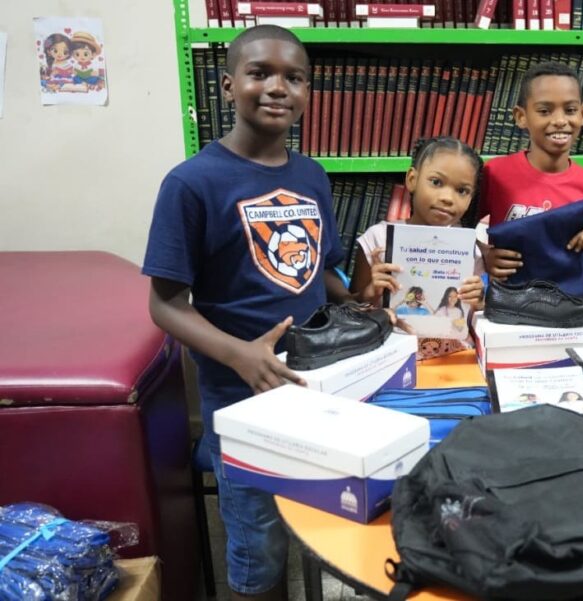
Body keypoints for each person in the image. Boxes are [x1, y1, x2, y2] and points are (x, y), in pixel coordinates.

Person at [142, 25, 349, 601]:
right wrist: (241, 356)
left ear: (307, 92)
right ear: (229, 85)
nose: (278, 87)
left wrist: (365, 303)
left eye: (294, 77)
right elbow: (164, 304)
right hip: (240, 400)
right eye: (260, 73)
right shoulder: (191, 183)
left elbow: (318, 270)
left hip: (314, 387)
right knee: (258, 545)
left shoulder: (312, 176)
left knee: (318, 522)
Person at [479, 61, 583, 283]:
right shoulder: (495, 173)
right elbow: (456, 230)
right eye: (544, 111)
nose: (560, 121)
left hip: (571, 301)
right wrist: (484, 256)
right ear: (521, 116)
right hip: (509, 300)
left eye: (570, 110)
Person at [352, 136, 485, 359]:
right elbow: (351, 309)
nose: (447, 198)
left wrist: (480, 301)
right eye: (436, 182)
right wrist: (370, 291)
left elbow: (475, 318)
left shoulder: (470, 249)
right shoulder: (378, 240)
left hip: (454, 360)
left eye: (462, 190)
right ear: (412, 179)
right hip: (389, 359)